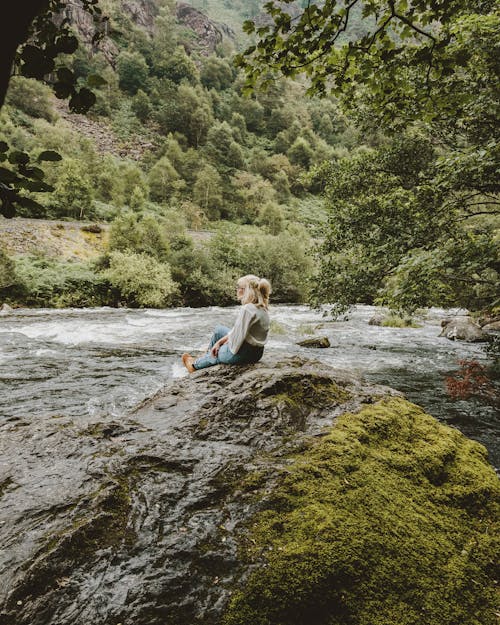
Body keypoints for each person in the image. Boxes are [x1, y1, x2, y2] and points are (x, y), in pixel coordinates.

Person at [182, 274, 271, 372]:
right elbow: (238, 332)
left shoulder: (248, 309)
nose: (237, 289)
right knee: (219, 330)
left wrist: (220, 347)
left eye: (239, 287)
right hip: (257, 353)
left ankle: (195, 365)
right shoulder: (263, 308)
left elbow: (235, 343)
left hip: (243, 354)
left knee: (216, 352)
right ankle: (205, 357)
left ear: (246, 290)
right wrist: (219, 342)